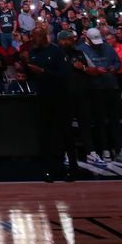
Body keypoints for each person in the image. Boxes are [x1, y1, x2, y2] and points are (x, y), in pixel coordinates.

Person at [27, 27, 77, 182]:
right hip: (43, 98)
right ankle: (49, 169)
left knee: (66, 133)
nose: (32, 40)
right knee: (45, 134)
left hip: (61, 97)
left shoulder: (56, 52)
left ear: (42, 37)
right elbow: (31, 75)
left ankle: (72, 168)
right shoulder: (33, 53)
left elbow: (64, 75)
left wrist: (42, 71)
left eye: (34, 37)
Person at [78, 27, 122, 162]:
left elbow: (117, 62)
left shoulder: (107, 47)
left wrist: (113, 68)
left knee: (115, 120)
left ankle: (119, 148)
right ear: (87, 38)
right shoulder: (81, 49)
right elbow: (80, 68)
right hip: (95, 89)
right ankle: (104, 148)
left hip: (111, 86)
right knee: (100, 120)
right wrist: (93, 70)